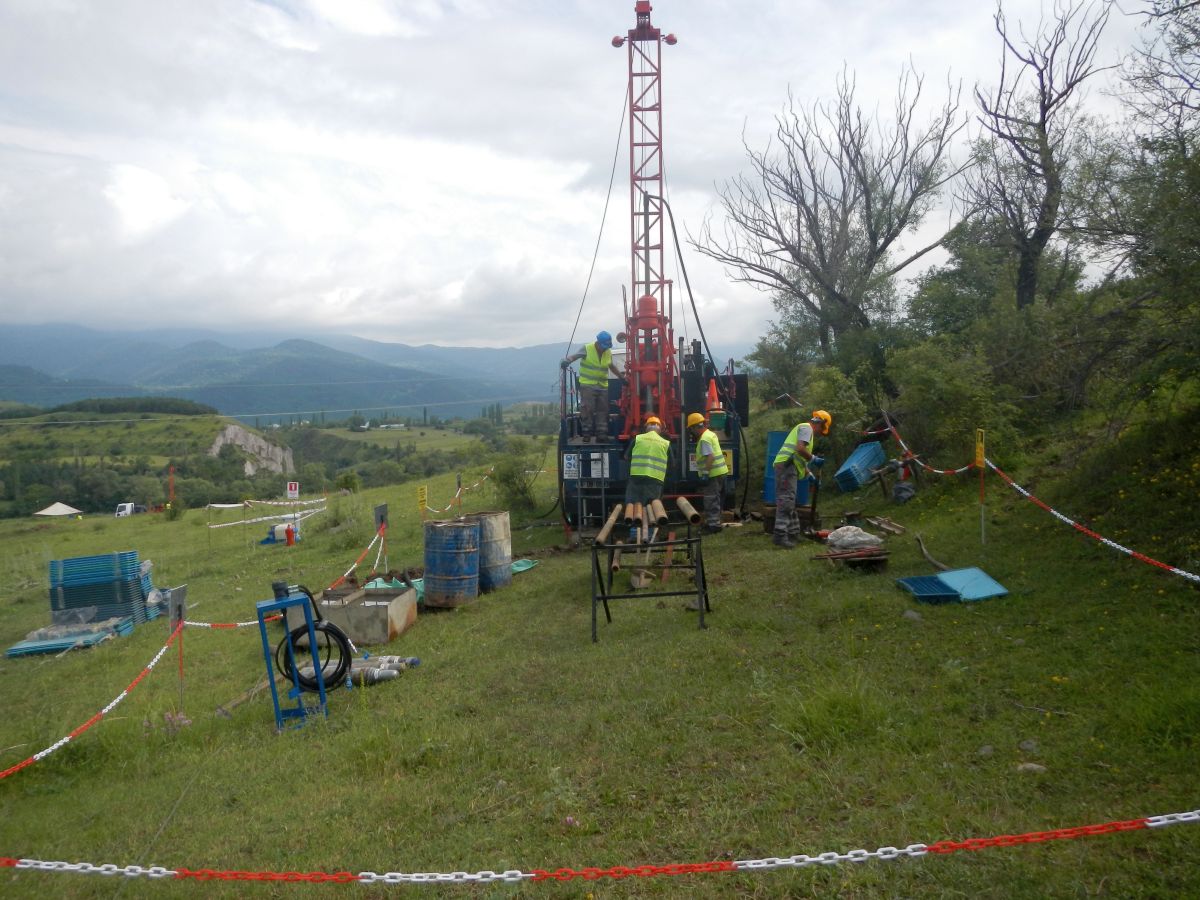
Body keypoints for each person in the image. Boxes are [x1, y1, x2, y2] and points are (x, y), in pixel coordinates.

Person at [771, 409, 831, 549]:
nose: (820, 433)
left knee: (790, 501)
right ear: (820, 422)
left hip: (789, 466)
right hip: (787, 467)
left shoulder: (806, 431)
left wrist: (810, 475)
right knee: (786, 501)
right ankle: (780, 536)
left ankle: (793, 534)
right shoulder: (806, 428)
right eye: (822, 429)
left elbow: (799, 458)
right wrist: (814, 459)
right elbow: (800, 449)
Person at [561, 331, 623, 442]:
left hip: (602, 386)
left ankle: (601, 435)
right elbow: (574, 356)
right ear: (597, 343)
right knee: (587, 409)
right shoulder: (587, 348)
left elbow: (611, 366)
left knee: (603, 410)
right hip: (588, 385)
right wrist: (567, 361)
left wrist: (621, 377)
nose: (604, 349)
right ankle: (587, 433)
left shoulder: (607, 351)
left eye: (606, 347)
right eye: (603, 346)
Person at [687, 412, 729, 534]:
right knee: (717, 498)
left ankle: (713, 525)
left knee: (711, 499)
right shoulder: (710, 434)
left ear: (696, 427)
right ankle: (715, 522)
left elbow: (710, 456)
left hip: (713, 474)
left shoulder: (704, 439)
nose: (691, 432)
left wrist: (705, 473)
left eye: (691, 429)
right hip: (721, 472)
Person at [624, 415, 673, 507]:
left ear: (646, 428)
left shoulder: (637, 439)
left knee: (633, 506)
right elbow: (671, 464)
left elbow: (626, 457)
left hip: (636, 478)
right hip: (655, 480)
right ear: (660, 429)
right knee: (652, 507)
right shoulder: (665, 443)